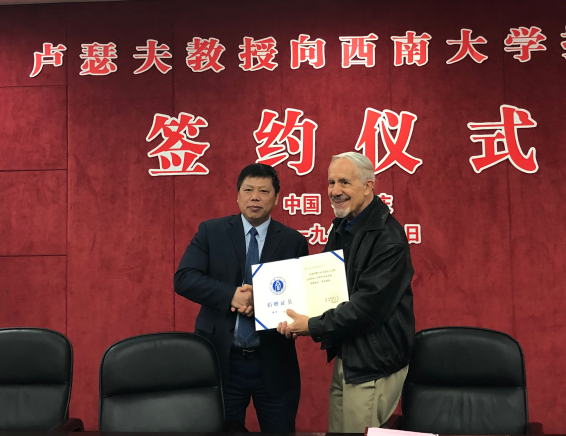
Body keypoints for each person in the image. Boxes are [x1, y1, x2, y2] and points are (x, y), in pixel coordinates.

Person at [276, 152, 416, 432]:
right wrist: (279, 304)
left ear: (368, 186)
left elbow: (367, 308)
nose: (335, 191)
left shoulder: (387, 238)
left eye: (344, 182)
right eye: (331, 182)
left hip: (373, 363)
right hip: (350, 356)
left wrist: (311, 325)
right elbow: (322, 281)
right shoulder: (344, 225)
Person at [174, 163, 309, 432]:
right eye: (248, 190)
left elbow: (301, 296)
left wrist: (272, 309)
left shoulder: (293, 241)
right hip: (222, 360)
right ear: (238, 196)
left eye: (263, 191)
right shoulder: (211, 231)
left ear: (276, 198)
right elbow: (184, 278)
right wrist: (231, 296)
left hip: (273, 361)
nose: (255, 197)